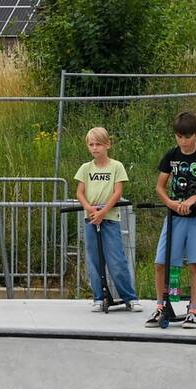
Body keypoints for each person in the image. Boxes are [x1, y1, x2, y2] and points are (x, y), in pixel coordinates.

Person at [146, 112, 196, 329]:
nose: (183, 141)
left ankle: (195, 309)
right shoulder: (171, 155)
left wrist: (195, 198)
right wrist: (170, 202)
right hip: (174, 218)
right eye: (179, 137)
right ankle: (162, 306)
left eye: (187, 137)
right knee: (162, 262)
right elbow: (160, 186)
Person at [73, 127, 140, 312]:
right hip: (91, 219)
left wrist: (103, 212)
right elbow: (80, 192)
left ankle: (129, 297)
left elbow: (118, 192)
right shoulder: (86, 168)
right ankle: (99, 297)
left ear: (107, 145)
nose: (95, 148)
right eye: (91, 144)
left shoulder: (116, 166)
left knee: (116, 259)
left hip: (109, 218)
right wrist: (89, 208)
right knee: (94, 260)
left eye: (98, 144)